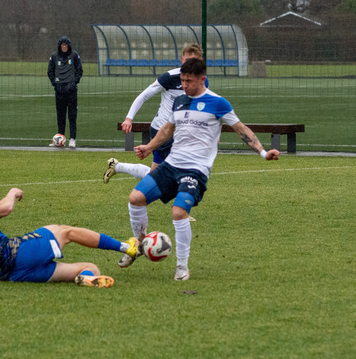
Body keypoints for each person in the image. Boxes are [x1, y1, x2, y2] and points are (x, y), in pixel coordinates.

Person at [119, 58, 280, 281]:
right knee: (135, 198)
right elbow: (167, 130)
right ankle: (139, 243)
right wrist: (149, 147)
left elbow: (241, 129)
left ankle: (182, 266)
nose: (185, 85)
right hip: (171, 164)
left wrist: (263, 152)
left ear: (202, 79)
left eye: (189, 81)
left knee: (178, 212)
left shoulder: (218, 103)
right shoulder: (180, 101)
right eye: (183, 81)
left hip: (195, 170)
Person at [0, 186, 139, 287]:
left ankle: (86, 278)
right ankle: (125, 247)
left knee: (91, 268)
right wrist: (12, 192)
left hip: (11, 276)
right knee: (65, 231)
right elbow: (4, 209)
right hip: (17, 254)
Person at [104, 44, 205, 184]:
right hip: (162, 131)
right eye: (188, 61)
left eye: (194, 61)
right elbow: (144, 96)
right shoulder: (170, 77)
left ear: (201, 61)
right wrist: (128, 118)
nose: (190, 65)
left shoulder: (202, 81)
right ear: (182, 60)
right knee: (171, 176)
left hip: (180, 131)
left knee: (157, 176)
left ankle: (117, 166)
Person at [48, 36, 83, 148]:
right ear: (59, 46)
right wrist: (55, 83)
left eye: (66, 45)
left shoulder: (74, 55)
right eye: (62, 45)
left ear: (69, 46)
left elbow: (79, 70)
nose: (64, 47)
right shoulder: (54, 56)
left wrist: (74, 82)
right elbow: (50, 71)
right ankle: (60, 139)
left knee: (72, 116)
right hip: (59, 91)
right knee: (60, 116)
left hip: (71, 91)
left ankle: (72, 139)